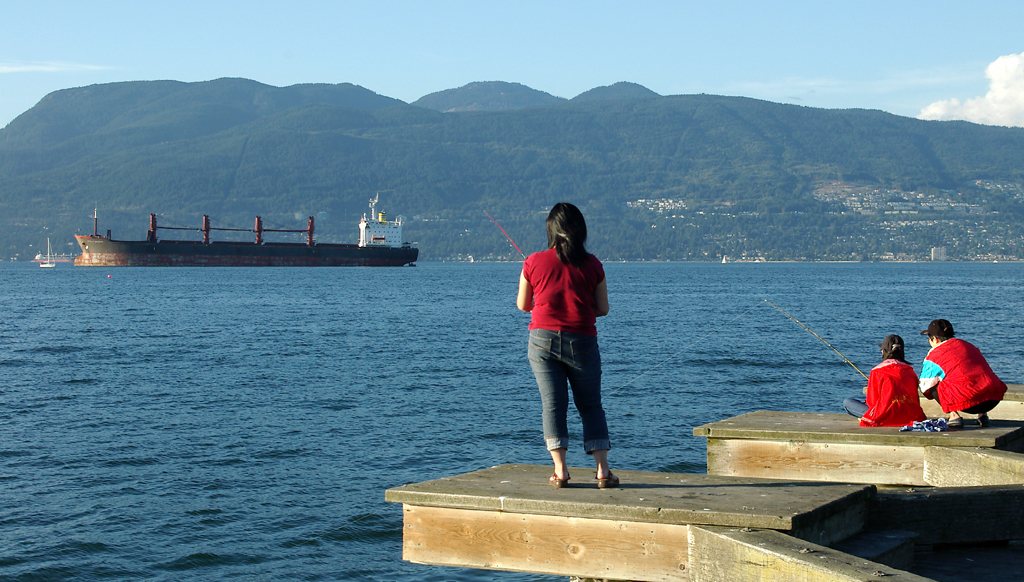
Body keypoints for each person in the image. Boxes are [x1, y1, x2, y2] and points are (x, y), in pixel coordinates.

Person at [516, 202, 617, 488]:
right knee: (591, 406)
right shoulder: (594, 265)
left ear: (551, 230)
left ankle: (560, 472)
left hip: (542, 341)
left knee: (553, 406)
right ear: (580, 231)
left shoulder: (532, 262)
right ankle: (603, 471)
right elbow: (603, 308)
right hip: (583, 340)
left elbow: (523, 305)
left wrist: (545, 302)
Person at [918, 319, 1006, 429]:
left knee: (934, 385)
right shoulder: (968, 345)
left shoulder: (935, 355)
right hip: (993, 397)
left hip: (970, 403)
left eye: (929, 338)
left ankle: (954, 416)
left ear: (935, 339)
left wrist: (930, 395)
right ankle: (983, 416)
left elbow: (924, 385)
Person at [843, 335, 926, 427]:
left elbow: (872, 401)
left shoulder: (877, 371)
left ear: (883, 352)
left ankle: (865, 417)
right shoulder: (910, 371)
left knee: (847, 403)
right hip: (910, 415)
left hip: (884, 416)